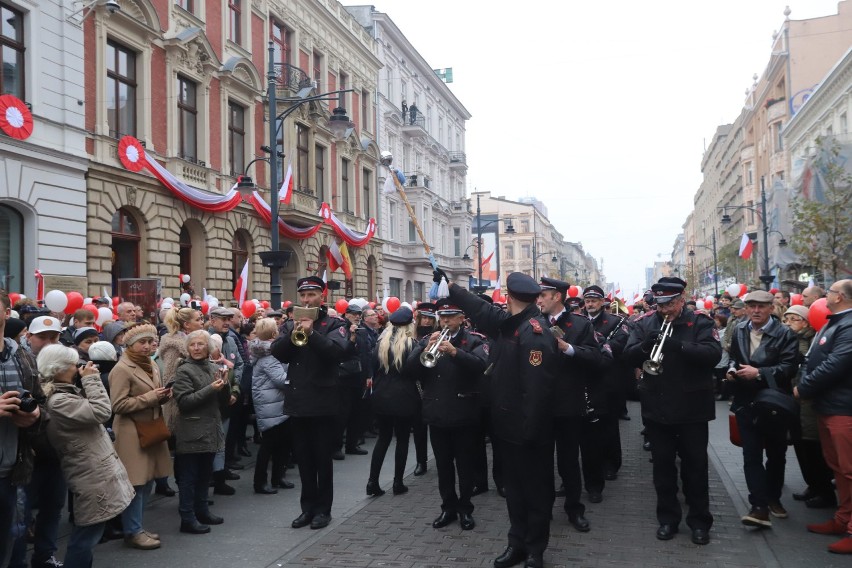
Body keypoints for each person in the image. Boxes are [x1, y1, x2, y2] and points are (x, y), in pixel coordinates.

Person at [443, 271, 557, 568]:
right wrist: (452, 287)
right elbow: (480, 309)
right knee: (515, 492)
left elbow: (537, 391)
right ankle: (516, 542)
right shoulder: (511, 323)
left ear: (509, 297)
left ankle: (535, 550)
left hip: (528, 431)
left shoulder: (534, 332)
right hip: (507, 426)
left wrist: (530, 432)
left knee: (535, 493)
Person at [623, 277, 720, 545]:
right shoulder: (644, 323)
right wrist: (645, 346)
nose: (664, 310)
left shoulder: (700, 321)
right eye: (660, 305)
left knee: (696, 468)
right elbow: (626, 355)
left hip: (693, 408)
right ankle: (668, 519)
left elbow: (713, 353)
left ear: (681, 299)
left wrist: (678, 346)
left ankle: (700, 522)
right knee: (663, 468)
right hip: (658, 406)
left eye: (670, 304)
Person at [38, 345, 134, 568]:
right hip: (89, 473)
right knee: (86, 537)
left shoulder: (62, 392)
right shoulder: (58, 401)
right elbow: (101, 412)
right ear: (58, 369)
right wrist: (91, 380)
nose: (77, 368)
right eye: (73, 364)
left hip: (93, 469)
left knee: (90, 534)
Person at [271, 276, 352, 530]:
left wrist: (312, 333)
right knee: (304, 460)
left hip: (324, 402)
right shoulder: (290, 322)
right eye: (303, 295)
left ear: (322, 296)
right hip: (298, 401)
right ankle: (307, 509)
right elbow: (278, 351)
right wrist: (294, 330)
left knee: (322, 460)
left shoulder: (334, 323)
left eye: (311, 295)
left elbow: (337, 352)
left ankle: (323, 510)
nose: (306, 300)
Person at [412, 299, 489, 530]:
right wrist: (423, 349)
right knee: (444, 467)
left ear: (461, 318)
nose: (444, 320)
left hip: (464, 413)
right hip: (436, 413)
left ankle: (465, 508)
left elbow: (481, 365)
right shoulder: (428, 340)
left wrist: (455, 352)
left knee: (465, 466)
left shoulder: (475, 340)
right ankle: (448, 508)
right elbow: (408, 369)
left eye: (450, 316)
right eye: (442, 317)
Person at [727, 290, 799, 528]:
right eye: (752, 306)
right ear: (746, 308)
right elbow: (734, 358)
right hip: (747, 402)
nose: (756, 311)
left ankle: (773, 498)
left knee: (776, 455)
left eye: (761, 306)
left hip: (775, 403)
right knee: (751, 455)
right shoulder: (738, 329)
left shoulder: (785, 333)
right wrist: (730, 370)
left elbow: (789, 366)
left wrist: (760, 373)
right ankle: (758, 507)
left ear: (771, 309)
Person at [795, 279, 852, 554]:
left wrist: (804, 387)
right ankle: (843, 520)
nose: (825, 295)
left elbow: (836, 364)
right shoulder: (835, 321)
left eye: (829, 291)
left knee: (849, 469)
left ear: (839, 297)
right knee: (839, 468)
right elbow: (814, 359)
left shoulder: (849, 325)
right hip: (828, 406)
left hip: (844, 409)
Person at [540, 279, 601, 532]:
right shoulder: (535, 323)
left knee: (568, 461)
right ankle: (542, 510)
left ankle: (574, 509)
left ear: (556, 296)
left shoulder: (579, 324)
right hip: (540, 405)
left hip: (568, 405)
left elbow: (595, 357)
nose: (539, 300)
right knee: (541, 462)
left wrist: (569, 348)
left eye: (542, 295)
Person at [109, 323, 172, 550]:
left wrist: (164, 395)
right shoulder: (122, 369)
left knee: (148, 481)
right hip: (131, 432)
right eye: (141, 342)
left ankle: (136, 526)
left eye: (149, 342)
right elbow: (117, 405)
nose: (146, 346)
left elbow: (154, 394)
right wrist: (152, 397)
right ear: (130, 345)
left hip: (151, 428)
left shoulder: (152, 364)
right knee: (136, 483)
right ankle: (132, 531)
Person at [0, 297, 47, 567]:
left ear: (7, 312)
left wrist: (36, 414)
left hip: (15, 470)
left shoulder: (22, 356)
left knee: (14, 547)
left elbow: (42, 403)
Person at [172, 329, 227, 534]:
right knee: (189, 478)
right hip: (191, 431)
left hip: (211, 429)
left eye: (200, 344)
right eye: (192, 344)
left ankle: (202, 511)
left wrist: (225, 384)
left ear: (208, 348)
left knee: (205, 474)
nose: (196, 348)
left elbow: (222, 402)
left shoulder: (212, 366)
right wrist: (212, 388)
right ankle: (187, 518)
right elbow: (185, 402)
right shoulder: (184, 370)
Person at [784, 305, 837, 510]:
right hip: (797, 400)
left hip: (810, 403)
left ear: (806, 322)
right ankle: (813, 485)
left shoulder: (814, 340)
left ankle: (823, 490)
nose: (787, 323)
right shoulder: (791, 338)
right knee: (802, 447)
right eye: (786, 319)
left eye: (793, 319)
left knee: (814, 449)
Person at [365, 307, 421, 498]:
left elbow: (373, 367)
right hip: (404, 397)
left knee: (383, 438)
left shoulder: (380, 342)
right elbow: (415, 372)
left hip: (381, 396)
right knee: (402, 439)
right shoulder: (412, 344)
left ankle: (372, 481)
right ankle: (398, 482)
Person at [250, 318, 293, 494]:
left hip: (275, 404)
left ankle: (278, 477)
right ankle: (261, 482)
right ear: (274, 333)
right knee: (269, 446)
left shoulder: (268, 353)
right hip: (271, 407)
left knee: (282, 444)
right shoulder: (268, 356)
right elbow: (281, 380)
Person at [207, 307, 243, 495]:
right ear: (212, 320)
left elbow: (238, 365)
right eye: (223, 319)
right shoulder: (206, 340)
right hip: (212, 401)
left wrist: (234, 389)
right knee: (213, 442)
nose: (227, 322)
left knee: (223, 439)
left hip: (228, 399)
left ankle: (220, 474)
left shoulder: (230, 339)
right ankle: (212, 476)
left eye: (229, 319)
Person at [334, 302, 369, 459]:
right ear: (346, 314)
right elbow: (343, 351)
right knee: (342, 413)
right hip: (344, 377)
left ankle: (352, 444)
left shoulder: (361, 330)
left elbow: (365, 353)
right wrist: (352, 336)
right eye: (354, 314)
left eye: (359, 315)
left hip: (358, 375)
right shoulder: (341, 329)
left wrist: (368, 375)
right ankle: (336, 447)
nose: (357, 317)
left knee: (357, 412)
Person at [411, 303, 437, 476]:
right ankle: (421, 461)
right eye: (424, 317)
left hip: (433, 383)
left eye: (430, 318)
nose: (426, 321)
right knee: (418, 427)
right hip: (416, 385)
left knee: (435, 426)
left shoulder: (436, 335)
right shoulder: (411, 336)